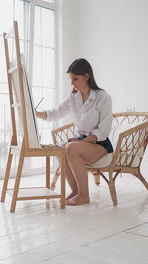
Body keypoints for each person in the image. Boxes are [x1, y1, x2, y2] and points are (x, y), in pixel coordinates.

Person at [36, 58, 113, 206]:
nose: (72, 83)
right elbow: (55, 113)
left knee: (70, 147)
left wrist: (79, 141)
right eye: (71, 79)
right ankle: (76, 191)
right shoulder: (73, 98)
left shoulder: (102, 97)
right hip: (82, 143)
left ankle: (84, 196)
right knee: (61, 149)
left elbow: (102, 132)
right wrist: (34, 113)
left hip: (100, 145)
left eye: (75, 79)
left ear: (86, 76)